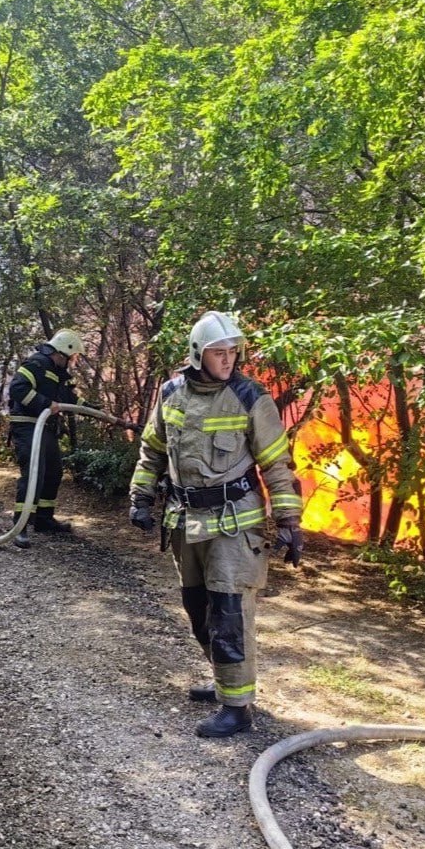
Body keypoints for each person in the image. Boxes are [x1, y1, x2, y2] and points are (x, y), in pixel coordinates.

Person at [128, 311, 304, 738]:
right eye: (218, 352)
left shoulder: (249, 397)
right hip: (186, 524)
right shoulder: (171, 394)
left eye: (232, 352)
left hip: (233, 528)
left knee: (229, 614)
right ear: (197, 354)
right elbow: (152, 451)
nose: (228, 360)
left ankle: (237, 708)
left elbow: (277, 463)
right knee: (198, 610)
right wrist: (140, 496)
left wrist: (289, 521)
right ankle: (226, 681)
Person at [7, 329, 85, 549]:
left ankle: (43, 519)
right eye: (72, 358)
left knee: (53, 472)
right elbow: (18, 388)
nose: (72, 362)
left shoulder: (57, 373)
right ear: (63, 352)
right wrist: (44, 404)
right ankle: (20, 526)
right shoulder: (37, 364)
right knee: (34, 474)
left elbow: (68, 399)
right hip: (28, 425)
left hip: (47, 428)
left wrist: (90, 408)